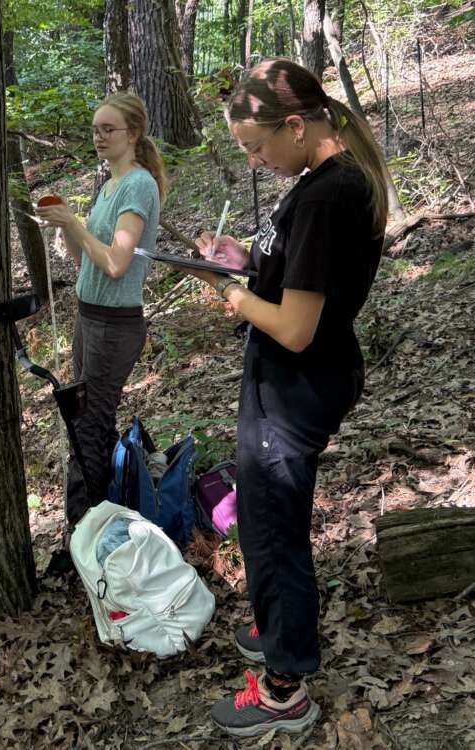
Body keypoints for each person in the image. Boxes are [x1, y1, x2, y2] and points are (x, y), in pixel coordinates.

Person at [185, 58, 389, 736]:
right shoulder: (317, 184)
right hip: (285, 386)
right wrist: (242, 261)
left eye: (255, 147)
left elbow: (298, 328)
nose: (253, 161)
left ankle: (284, 687)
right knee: (266, 527)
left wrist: (240, 300)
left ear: (296, 125)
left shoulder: (330, 195)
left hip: (295, 390)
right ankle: (277, 627)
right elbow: (297, 276)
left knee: (274, 536)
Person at [35, 92, 167, 572]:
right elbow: (83, 259)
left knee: (89, 426)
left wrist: (74, 221)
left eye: (108, 129)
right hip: (88, 316)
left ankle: (84, 538)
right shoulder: (109, 186)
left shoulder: (138, 186)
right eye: (94, 129)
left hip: (114, 324)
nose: (98, 137)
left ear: (132, 134)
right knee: (86, 424)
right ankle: (96, 531)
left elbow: (115, 263)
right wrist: (67, 225)